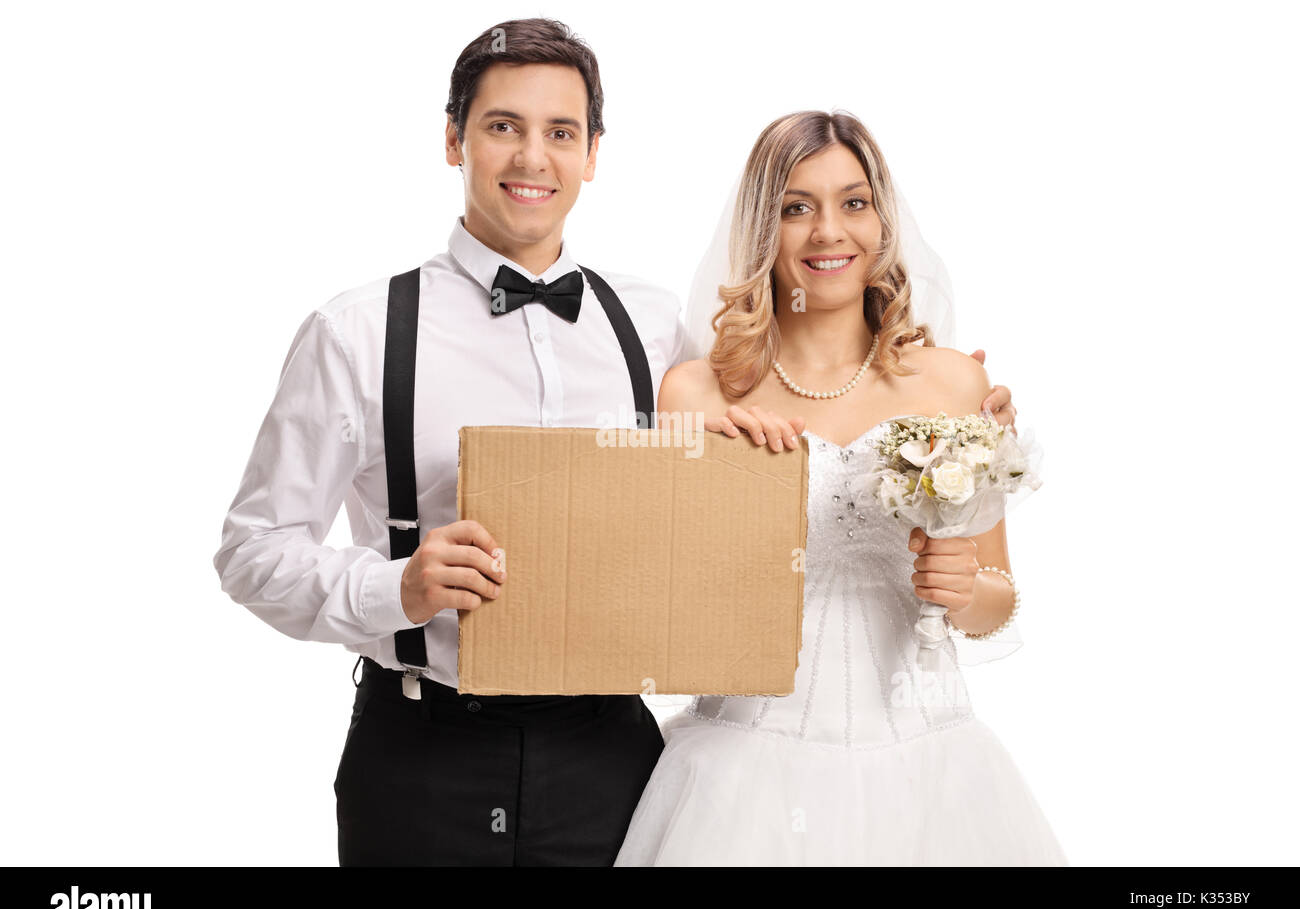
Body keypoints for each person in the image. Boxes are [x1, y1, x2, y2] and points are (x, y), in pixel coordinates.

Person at [213, 16, 1017, 866]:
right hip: (425, 750)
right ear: (454, 140)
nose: (533, 158)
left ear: (593, 153)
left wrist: (954, 426)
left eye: (561, 132)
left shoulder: (653, 329)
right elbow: (251, 551)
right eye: (502, 127)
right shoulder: (356, 332)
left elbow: (772, 436)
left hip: (613, 758)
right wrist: (393, 587)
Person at [614, 110, 1067, 865]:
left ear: (882, 221)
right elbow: (667, 624)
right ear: (764, 227)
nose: (830, 231)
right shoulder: (697, 396)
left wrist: (962, 589)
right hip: (742, 770)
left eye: (854, 203)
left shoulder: (955, 382)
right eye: (797, 207)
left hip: (928, 763)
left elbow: (997, 601)